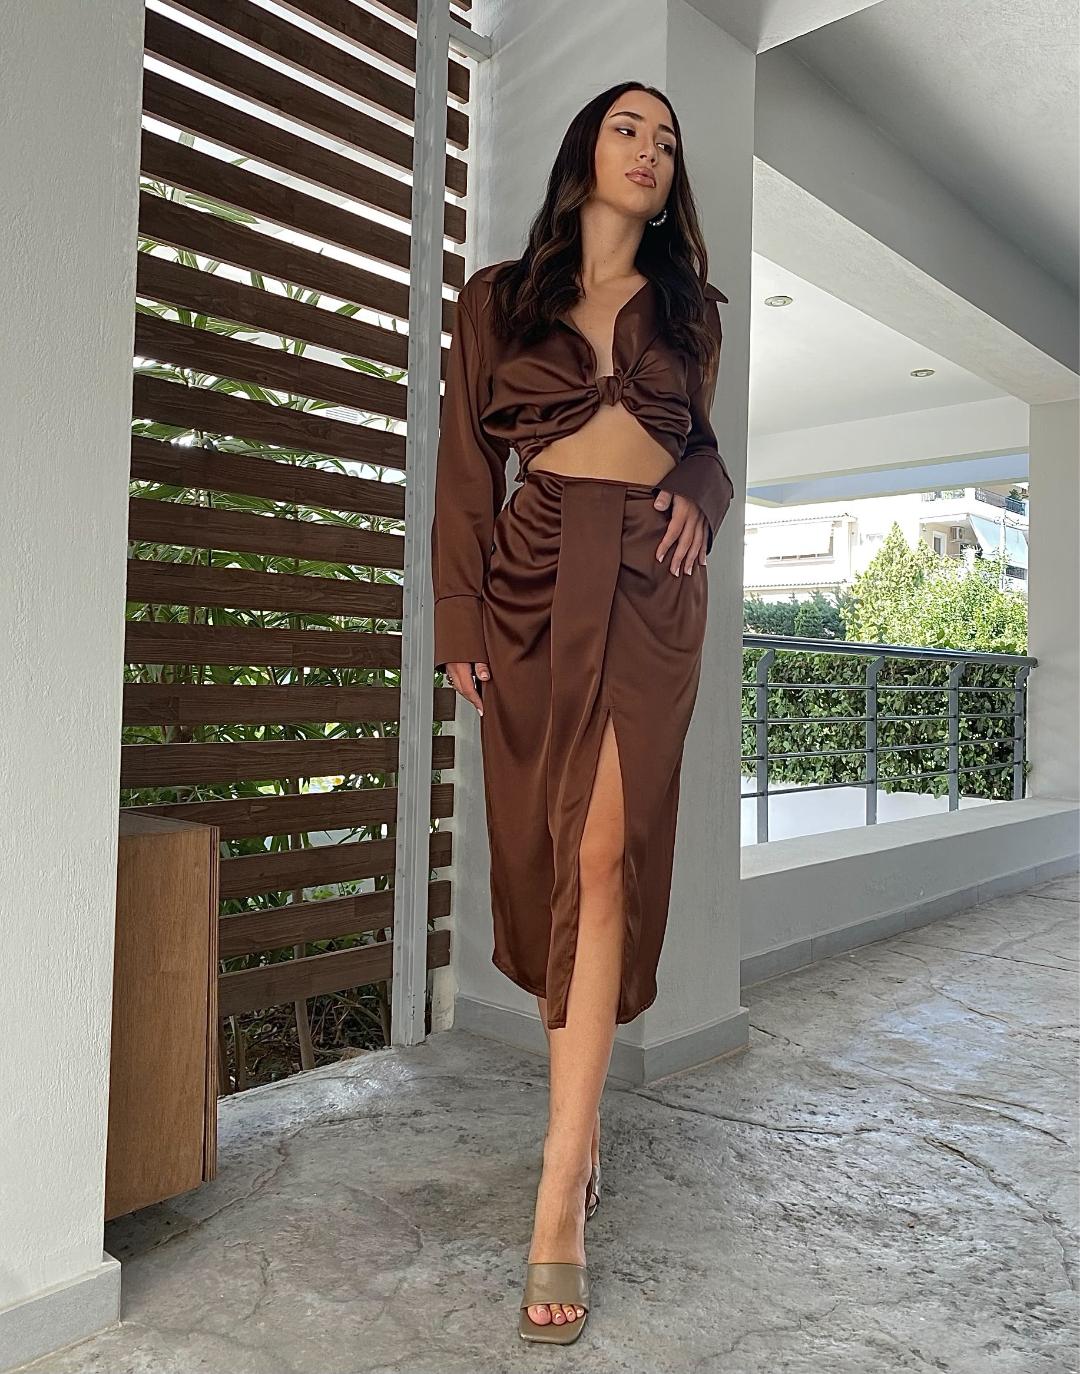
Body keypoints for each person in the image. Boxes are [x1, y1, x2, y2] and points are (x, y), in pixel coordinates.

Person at [429, 79, 735, 1344]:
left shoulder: (691, 310)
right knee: (547, 856)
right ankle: (584, 1119)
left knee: (606, 855)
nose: (651, 149)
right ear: (585, 151)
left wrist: (704, 495)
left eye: (668, 138)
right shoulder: (497, 298)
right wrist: (457, 618)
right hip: (534, 572)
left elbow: (703, 444)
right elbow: (465, 465)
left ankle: (559, 1188)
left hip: (653, 586)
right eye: (629, 128)